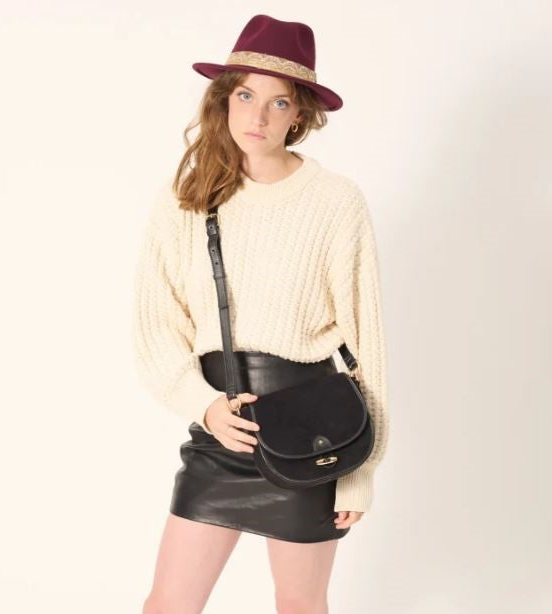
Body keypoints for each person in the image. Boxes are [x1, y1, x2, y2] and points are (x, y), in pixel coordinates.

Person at [132, 14, 388, 614]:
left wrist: (360, 471)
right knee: (168, 604)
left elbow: (367, 342)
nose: (259, 116)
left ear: (299, 115)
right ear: (224, 100)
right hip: (220, 430)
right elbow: (156, 327)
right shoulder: (189, 197)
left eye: (279, 102)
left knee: (300, 604)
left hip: (311, 434)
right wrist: (204, 406)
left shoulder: (336, 201)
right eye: (245, 96)